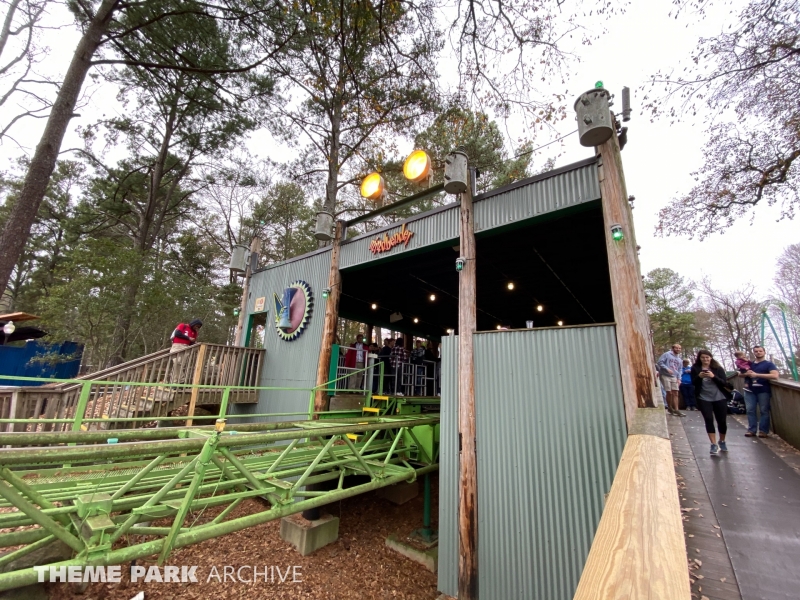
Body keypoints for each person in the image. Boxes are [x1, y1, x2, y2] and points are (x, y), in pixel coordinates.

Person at [692, 349, 732, 456]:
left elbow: (724, 383)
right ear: (699, 358)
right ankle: (713, 444)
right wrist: (699, 377)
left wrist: (713, 376)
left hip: (719, 397)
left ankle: (722, 441)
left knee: (721, 421)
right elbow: (693, 382)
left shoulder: (718, 368)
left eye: (707, 357)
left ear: (711, 358)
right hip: (703, 397)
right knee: (708, 419)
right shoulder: (695, 368)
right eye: (703, 357)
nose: (705, 359)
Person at [742, 345, 780, 438]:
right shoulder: (749, 364)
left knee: (764, 410)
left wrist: (757, 375)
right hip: (750, 390)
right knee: (750, 410)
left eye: (760, 351)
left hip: (763, 390)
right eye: (756, 351)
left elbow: (775, 376)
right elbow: (739, 374)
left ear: (764, 352)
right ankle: (751, 430)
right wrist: (746, 374)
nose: (758, 353)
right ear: (754, 353)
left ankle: (763, 431)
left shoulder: (769, 364)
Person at [657, 343, 685, 417]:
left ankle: (676, 410)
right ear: (673, 348)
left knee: (676, 392)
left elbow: (680, 369)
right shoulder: (667, 354)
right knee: (669, 392)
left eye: (679, 348)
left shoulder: (679, 359)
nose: (678, 349)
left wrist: (679, 378)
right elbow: (659, 362)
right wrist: (667, 369)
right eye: (676, 348)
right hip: (665, 375)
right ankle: (670, 407)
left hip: (674, 376)